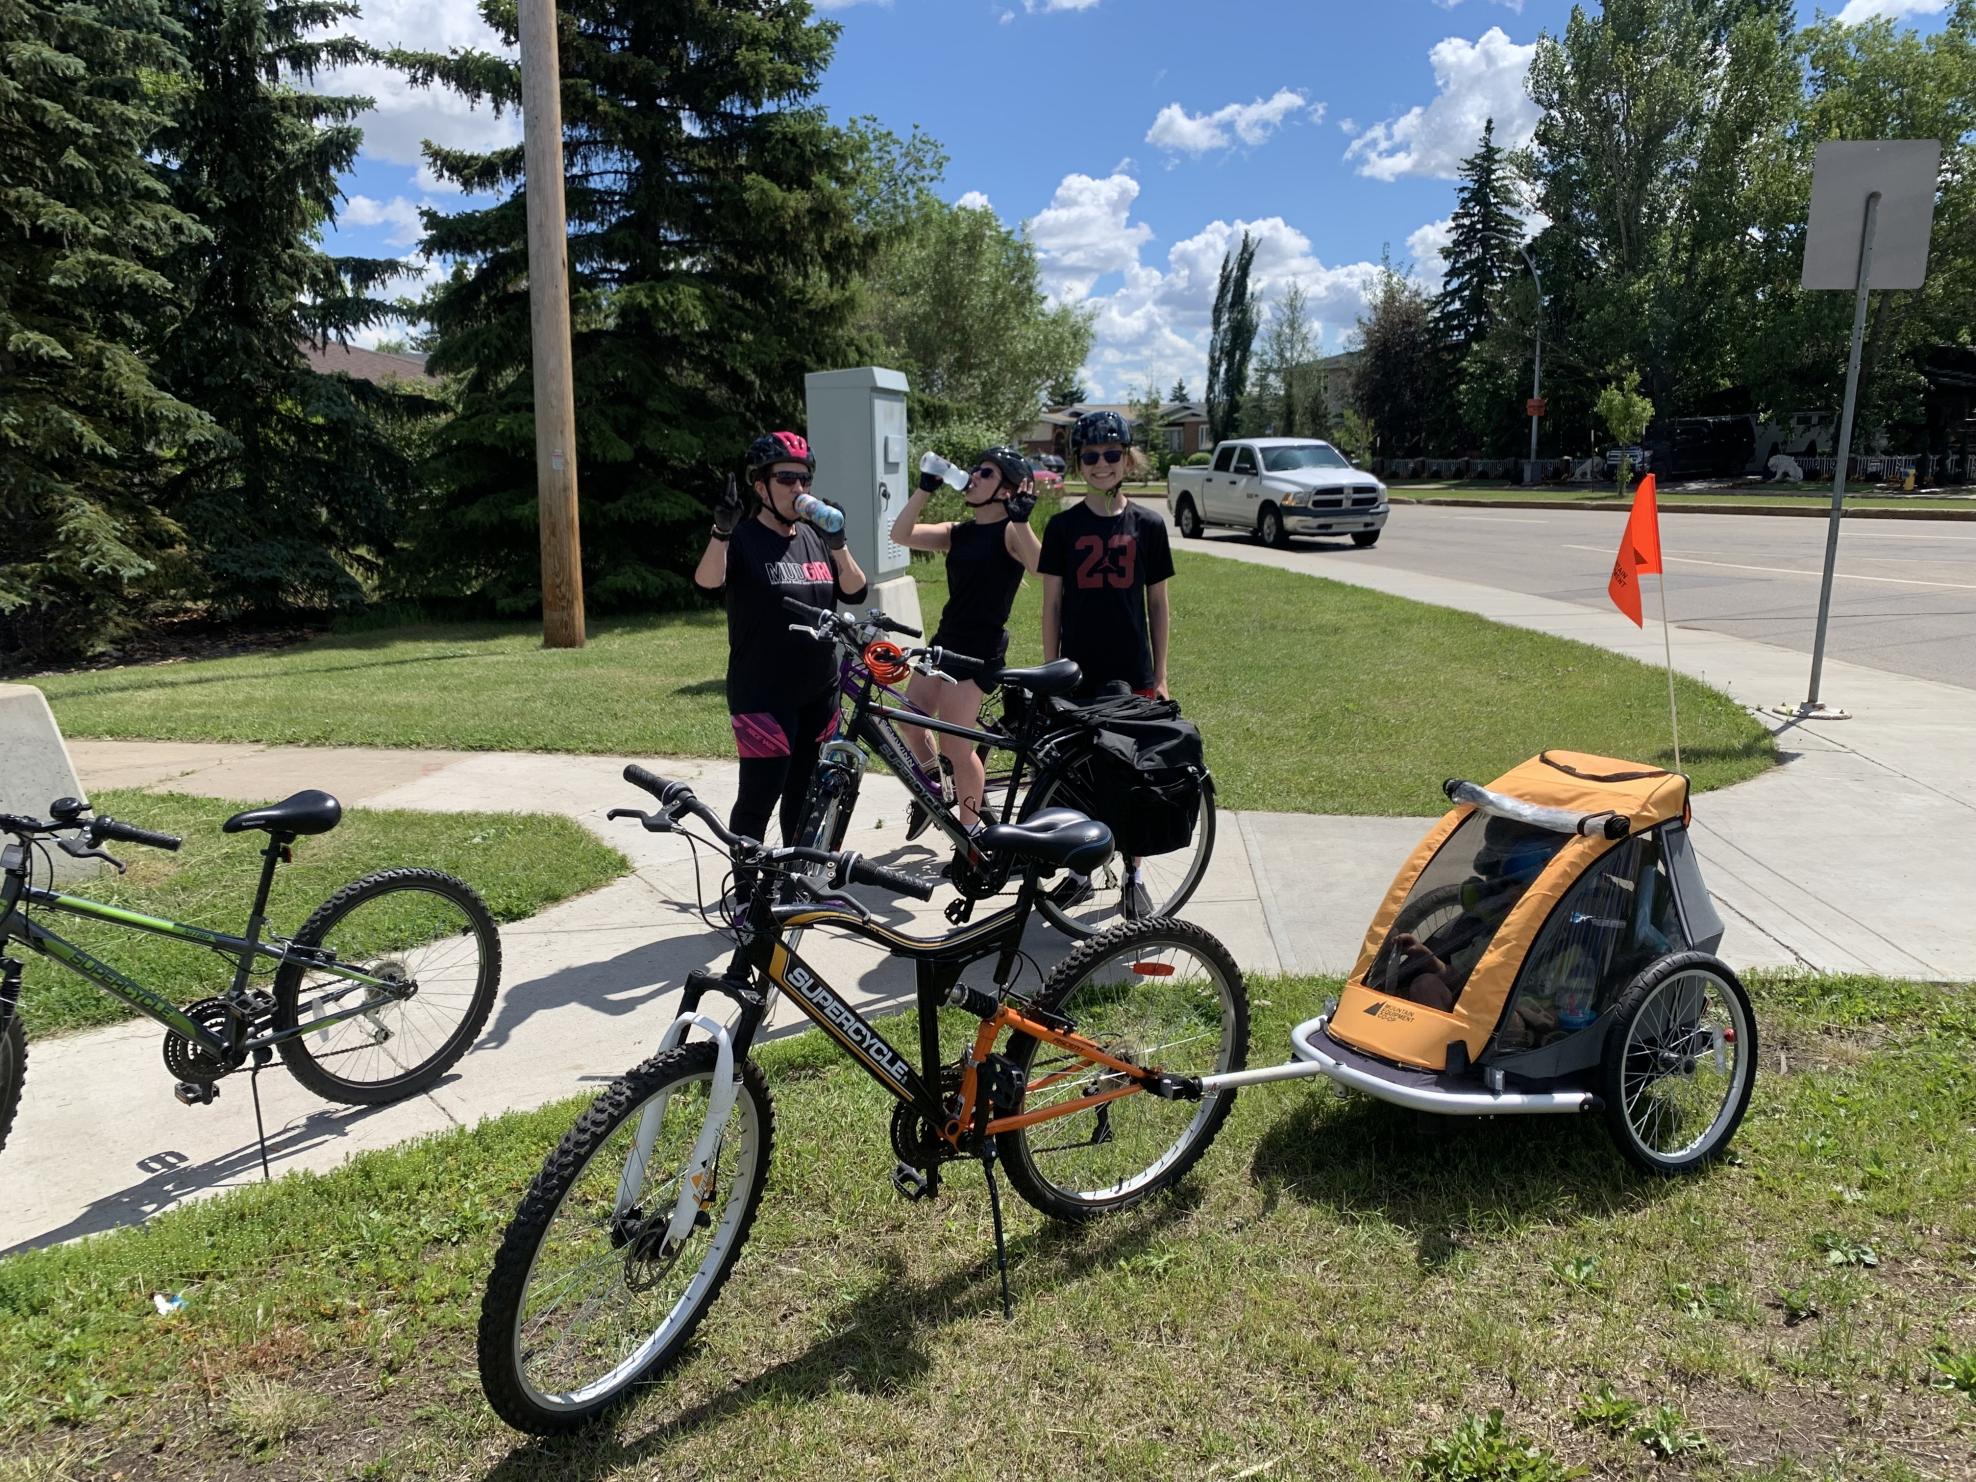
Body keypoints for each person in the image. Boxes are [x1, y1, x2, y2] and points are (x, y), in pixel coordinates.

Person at [693, 431, 867, 904]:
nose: (799, 488)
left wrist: (839, 541)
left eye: (804, 478)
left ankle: (793, 881)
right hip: (762, 693)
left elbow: (856, 590)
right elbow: (708, 582)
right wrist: (721, 531)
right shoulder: (744, 538)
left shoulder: (814, 536)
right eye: (786, 478)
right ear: (760, 486)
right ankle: (748, 895)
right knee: (759, 795)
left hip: (818, 688)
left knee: (806, 795)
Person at [889, 447, 1041, 833]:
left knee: (957, 747)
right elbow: (900, 534)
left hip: (978, 651)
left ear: (1006, 489)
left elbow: (1041, 568)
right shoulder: (959, 532)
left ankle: (971, 835)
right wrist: (925, 488)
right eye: (974, 469)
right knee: (911, 721)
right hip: (945, 640)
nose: (973, 476)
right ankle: (935, 787)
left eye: (986, 473)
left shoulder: (1009, 531)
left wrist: (1022, 520)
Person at [1039, 410, 1174, 702]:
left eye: (1112, 455)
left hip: (1134, 671)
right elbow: (1052, 605)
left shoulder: (1149, 525)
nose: (1101, 464)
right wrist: (1051, 672)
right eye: (1090, 457)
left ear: (1128, 459)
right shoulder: (1061, 528)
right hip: (1075, 674)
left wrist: (1160, 676)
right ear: (1078, 463)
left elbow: (1157, 604)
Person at [1387, 819, 1562, 1011]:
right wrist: (1422, 953)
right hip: (1475, 1012)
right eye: (1505, 887)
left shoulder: (1555, 941)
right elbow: (1455, 975)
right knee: (1425, 984)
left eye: (1518, 889)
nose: (1508, 895)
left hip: (1515, 1017)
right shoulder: (1490, 938)